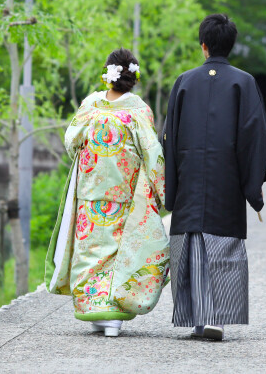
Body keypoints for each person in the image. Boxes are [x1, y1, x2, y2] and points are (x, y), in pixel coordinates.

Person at [163, 13, 266, 341]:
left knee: (193, 246)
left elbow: (169, 138)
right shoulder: (245, 82)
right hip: (227, 181)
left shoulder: (184, 82)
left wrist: (171, 189)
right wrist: (252, 188)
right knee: (222, 248)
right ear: (231, 45)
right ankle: (217, 318)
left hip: (188, 180)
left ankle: (200, 320)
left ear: (203, 46)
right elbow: (255, 138)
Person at [45, 48, 169, 337]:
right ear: (133, 77)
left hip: (89, 191)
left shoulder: (91, 104)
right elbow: (152, 153)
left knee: (90, 250)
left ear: (107, 74)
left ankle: (94, 310)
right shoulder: (138, 110)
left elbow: (71, 140)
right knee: (117, 252)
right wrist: (162, 191)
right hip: (124, 192)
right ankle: (112, 315)